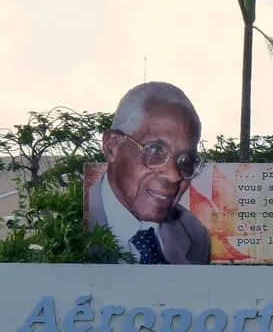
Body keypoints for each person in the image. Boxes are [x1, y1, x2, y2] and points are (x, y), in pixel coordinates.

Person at [87, 81, 211, 264]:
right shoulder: (69, 224)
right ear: (112, 146)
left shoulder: (194, 235)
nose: (174, 175)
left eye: (186, 160)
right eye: (156, 150)